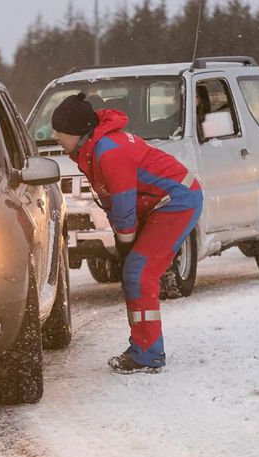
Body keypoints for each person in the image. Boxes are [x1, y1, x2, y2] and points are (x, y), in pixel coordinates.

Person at [51, 92, 203, 374]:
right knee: (135, 271)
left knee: (139, 272)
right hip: (158, 202)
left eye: (59, 131)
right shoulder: (93, 148)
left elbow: (122, 205)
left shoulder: (109, 151)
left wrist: (125, 243)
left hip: (177, 201)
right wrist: (124, 239)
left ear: (76, 131)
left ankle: (147, 354)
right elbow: (111, 201)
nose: (56, 136)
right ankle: (144, 347)